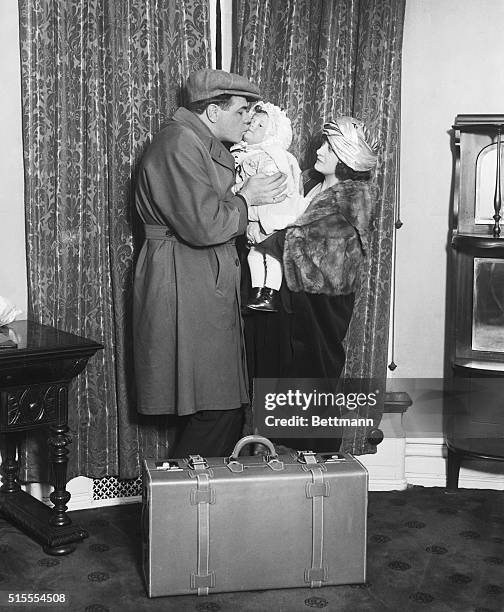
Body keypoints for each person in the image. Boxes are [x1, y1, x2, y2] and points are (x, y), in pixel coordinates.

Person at [133, 69, 287, 458]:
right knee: (215, 406)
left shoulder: (196, 141)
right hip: (184, 279)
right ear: (213, 112)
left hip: (198, 276)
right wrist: (247, 197)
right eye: (243, 110)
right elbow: (205, 225)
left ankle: (193, 510)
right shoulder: (180, 144)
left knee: (220, 405)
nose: (249, 119)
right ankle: (178, 510)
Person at [246, 116, 378, 452]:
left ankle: (317, 474)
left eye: (328, 146)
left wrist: (258, 237)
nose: (318, 150)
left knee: (312, 386)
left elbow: (305, 245)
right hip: (294, 301)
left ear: (346, 155)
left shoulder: (352, 199)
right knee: (284, 389)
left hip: (320, 306)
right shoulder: (311, 184)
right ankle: (284, 474)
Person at [231, 102, 306, 312]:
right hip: (254, 213)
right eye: (253, 121)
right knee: (254, 255)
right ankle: (258, 292)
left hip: (271, 215)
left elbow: (270, 189)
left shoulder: (270, 155)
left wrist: (257, 220)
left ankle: (270, 293)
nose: (253, 125)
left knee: (272, 257)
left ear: (271, 134)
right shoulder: (246, 153)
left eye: (261, 125)